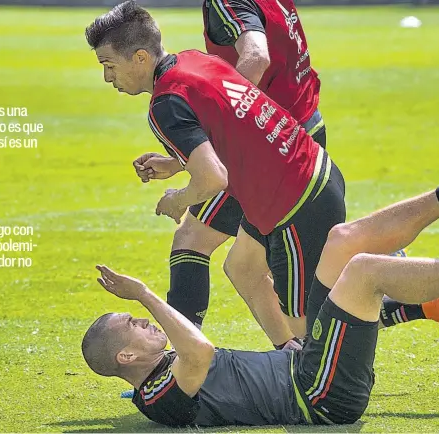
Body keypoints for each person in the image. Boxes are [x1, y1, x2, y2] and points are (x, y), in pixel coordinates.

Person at [84, 1, 439, 358]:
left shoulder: (167, 100)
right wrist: (184, 158)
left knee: (321, 334)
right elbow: (227, 117)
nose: (107, 79)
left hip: (291, 193)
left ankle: (435, 288)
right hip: (303, 154)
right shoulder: (191, 60)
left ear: (139, 58)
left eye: (108, 65)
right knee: (245, 266)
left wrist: (178, 197)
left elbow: (215, 174)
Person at [82, 134, 439, 426]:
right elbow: (199, 352)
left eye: (137, 318)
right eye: (134, 325)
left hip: (308, 364)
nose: (145, 323)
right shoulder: (157, 395)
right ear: (126, 355)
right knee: (363, 271)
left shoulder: (158, 378)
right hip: (319, 394)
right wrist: (141, 294)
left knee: (343, 241)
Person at [134, 0, 326, 350]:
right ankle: (292, 359)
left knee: (193, 240)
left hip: (272, 150)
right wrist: (183, 159)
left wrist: (186, 176)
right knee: (246, 268)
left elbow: (256, 57)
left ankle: (184, 367)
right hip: (300, 129)